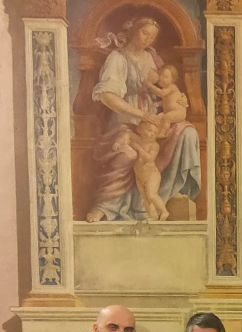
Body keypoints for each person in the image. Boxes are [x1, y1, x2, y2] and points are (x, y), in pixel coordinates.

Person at [86, 16, 201, 222]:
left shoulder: (151, 57)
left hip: (153, 120)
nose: (148, 39)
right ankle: (106, 205)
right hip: (126, 119)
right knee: (129, 153)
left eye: (152, 36)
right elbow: (108, 97)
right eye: (144, 33)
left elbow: (165, 86)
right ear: (133, 31)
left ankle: (169, 194)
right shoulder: (118, 58)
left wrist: (178, 98)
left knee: (187, 133)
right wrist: (140, 114)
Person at [129, 121, 170, 221]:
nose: (152, 134)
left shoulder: (154, 145)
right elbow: (127, 136)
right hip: (139, 176)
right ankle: (153, 216)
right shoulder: (137, 141)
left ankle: (164, 211)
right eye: (149, 130)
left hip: (152, 175)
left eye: (155, 133)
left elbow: (150, 159)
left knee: (151, 195)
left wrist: (139, 149)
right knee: (146, 198)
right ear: (140, 130)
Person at [146, 64, 189, 136]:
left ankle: (163, 133)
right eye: (161, 76)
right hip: (170, 112)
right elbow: (166, 100)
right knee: (160, 118)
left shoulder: (172, 87)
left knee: (167, 117)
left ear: (173, 80)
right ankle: (157, 132)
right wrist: (158, 103)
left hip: (178, 113)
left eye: (166, 77)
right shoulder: (165, 88)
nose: (162, 78)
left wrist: (149, 85)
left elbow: (161, 93)